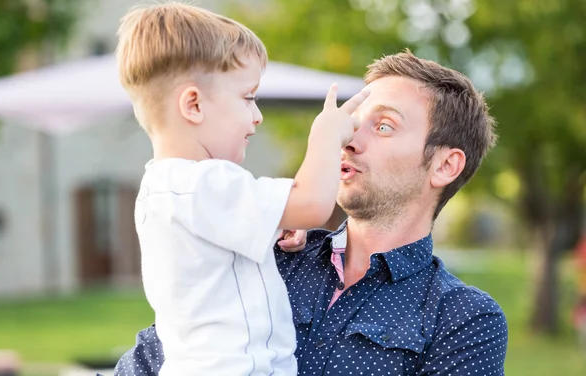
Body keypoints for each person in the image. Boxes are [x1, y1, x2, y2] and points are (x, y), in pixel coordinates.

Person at [114, 50, 509, 375]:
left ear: (445, 166)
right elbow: (149, 363)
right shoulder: (264, 252)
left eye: (384, 126)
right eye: (352, 123)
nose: (349, 139)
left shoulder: (464, 321)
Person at [114, 1, 368, 376]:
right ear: (194, 105)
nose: (257, 115)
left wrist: (277, 221)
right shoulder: (204, 183)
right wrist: (326, 135)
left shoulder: (166, 187)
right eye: (248, 97)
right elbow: (314, 204)